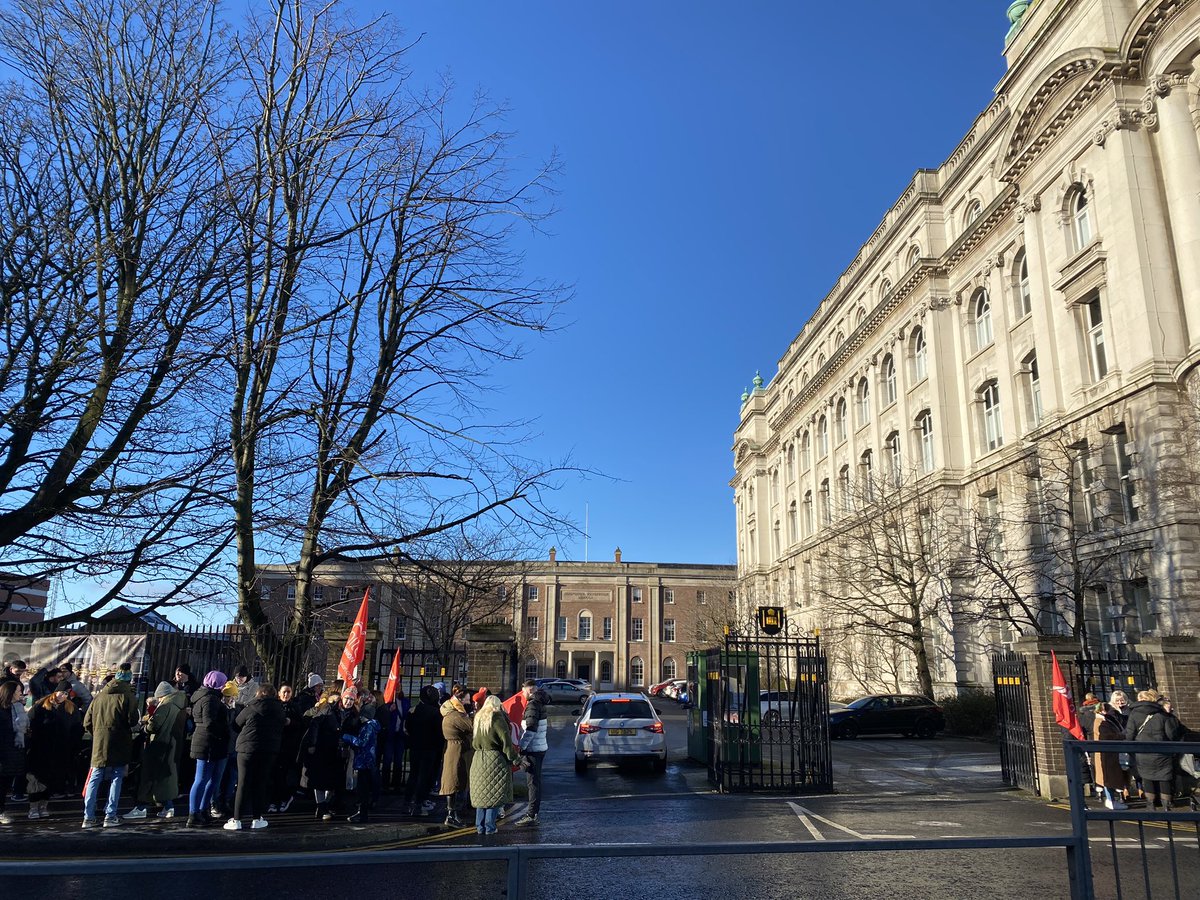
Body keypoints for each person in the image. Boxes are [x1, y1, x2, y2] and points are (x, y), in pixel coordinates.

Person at [82, 664, 138, 828]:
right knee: (116, 777)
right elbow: (132, 721)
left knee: (95, 776)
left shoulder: (99, 696)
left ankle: (88, 816)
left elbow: (87, 722)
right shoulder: (128, 696)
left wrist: (97, 733)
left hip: (100, 741)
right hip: (120, 740)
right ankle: (110, 815)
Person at [225, 683, 286, 831]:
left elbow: (236, 724)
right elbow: (282, 726)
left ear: (258, 694)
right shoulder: (279, 710)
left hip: (247, 748)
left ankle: (237, 819)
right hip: (268, 750)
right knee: (261, 783)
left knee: (243, 783)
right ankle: (257, 818)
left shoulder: (251, 707)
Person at [127, 681, 188, 820]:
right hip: (171, 745)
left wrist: (145, 726)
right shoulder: (180, 704)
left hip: (158, 745)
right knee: (164, 779)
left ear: (162, 695)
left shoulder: (165, 706)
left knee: (149, 777)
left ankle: (141, 807)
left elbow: (154, 726)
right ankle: (168, 807)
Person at [26, 682, 81, 819]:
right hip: (39, 748)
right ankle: (33, 807)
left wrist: (72, 744)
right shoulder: (41, 705)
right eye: (62, 692)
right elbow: (30, 723)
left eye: (67, 693)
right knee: (35, 779)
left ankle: (44, 806)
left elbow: (77, 727)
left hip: (60, 750)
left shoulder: (71, 707)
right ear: (55, 692)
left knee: (51, 779)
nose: (63, 696)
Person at [469, 694, 519, 836]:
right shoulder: (497, 718)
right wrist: (516, 759)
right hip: (495, 759)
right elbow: (506, 744)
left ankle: (479, 826)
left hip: (478, 758)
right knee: (494, 795)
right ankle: (490, 827)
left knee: (481, 795)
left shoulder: (478, 718)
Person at [1125, 688, 1183, 810]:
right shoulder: (1162, 714)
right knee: (1165, 778)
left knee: (1147, 778)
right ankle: (1166, 804)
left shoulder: (1134, 714)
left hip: (1143, 751)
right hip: (1162, 751)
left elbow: (1129, 735)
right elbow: (1171, 734)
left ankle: (1151, 804)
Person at [187, 670, 231, 827]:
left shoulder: (204, 697)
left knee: (210, 779)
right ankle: (195, 813)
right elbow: (209, 722)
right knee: (203, 778)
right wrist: (223, 732)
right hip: (209, 743)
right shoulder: (210, 699)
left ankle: (201, 810)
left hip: (208, 741)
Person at [300, 690, 343, 821]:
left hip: (329, 750)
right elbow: (315, 726)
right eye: (333, 701)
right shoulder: (327, 711)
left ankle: (323, 806)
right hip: (323, 749)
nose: (335, 703)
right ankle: (322, 806)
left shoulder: (334, 712)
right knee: (321, 781)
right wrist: (312, 744)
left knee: (327, 781)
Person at [403, 685, 444, 816]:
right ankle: (419, 804)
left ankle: (407, 802)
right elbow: (439, 732)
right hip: (430, 748)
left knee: (413, 775)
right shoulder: (435, 712)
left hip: (415, 747)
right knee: (425, 776)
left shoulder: (412, 710)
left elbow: (408, 728)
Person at [515, 679, 549, 826]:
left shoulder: (532, 705)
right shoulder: (539, 703)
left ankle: (531, 814)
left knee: (533, 782)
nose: (522, 693)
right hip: (540, 747)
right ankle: (533, 813)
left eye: (523, 690)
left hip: (533, 748)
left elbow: (531, 729)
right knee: (535, 781)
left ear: (529, 690)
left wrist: (521, 747)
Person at [438, 685, 473, 827]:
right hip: (456, 750)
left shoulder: (452, 712)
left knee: (454, 781)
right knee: (454, 782)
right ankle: (451, 815)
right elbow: (472, 727)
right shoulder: (455, 715)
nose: (469, 702)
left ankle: (453, 814)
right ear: (460, 698)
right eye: (467, 699)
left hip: (455, 749)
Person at [343, 697, 381, 823]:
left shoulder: (368, 727)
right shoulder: (371, 726)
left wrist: (347, 737)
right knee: (363, 788)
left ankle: (362, 813)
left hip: (364, 761)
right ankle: (361, 812)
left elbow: (361, 742)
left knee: (362, 789)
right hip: (367, 760)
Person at [269, 682, 304, 813]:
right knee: (274, 774)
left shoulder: (295, 707)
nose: (286, 694)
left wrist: (291, 723)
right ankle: (273, 800)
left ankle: (285, 798)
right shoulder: (274, 705)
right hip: (275, 744)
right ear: (278, 693)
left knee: (284, 774)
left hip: (288, 746)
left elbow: (301, 724)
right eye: (284, 691)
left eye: (288, 692)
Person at [1092, 701, 1128, 810]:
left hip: (1108, 753)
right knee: (1107, 778)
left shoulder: (1105, 720)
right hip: (1106, 753)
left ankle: (1111, 800)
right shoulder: (1100, 721)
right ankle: (1110, 800)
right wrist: (1121, 736)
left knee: (1109, 777)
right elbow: (1106, 736)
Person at [0, 680, 27, 825]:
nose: (20, 693)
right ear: (9, 693)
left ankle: (1, 810)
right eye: (18, 691)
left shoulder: (15, 708)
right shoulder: (2, 710)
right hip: (3, 753)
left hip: (11, 753)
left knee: (4, 785)